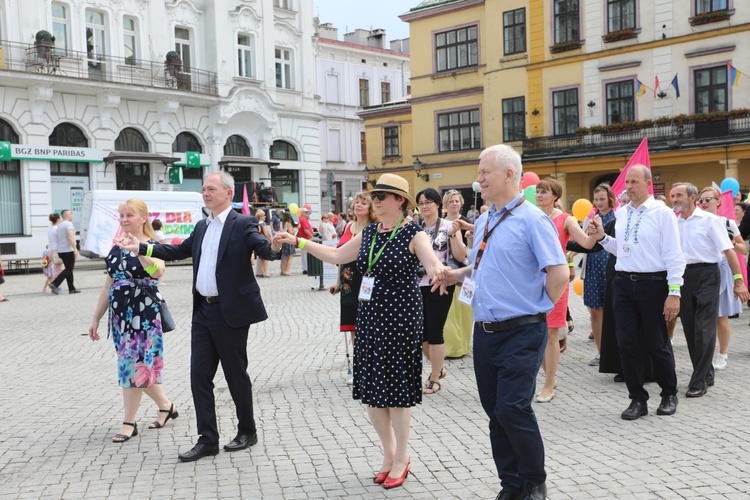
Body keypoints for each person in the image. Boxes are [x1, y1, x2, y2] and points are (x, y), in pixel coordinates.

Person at [274, 173, 448, 490]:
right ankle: (389, 453)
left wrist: (440, 272)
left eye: (382, 196)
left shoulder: (413, 232)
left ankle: (402, 456)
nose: (375, 200)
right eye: (374, 195)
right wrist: (297, 241)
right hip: (369, 320)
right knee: (372, 391)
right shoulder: (368, 233)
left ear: (400, 201)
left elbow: (432, 262)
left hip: (400, 322)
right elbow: (337, 255)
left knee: (397, 393)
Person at [117, 171, 283, 462]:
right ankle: (208, 439)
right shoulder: (202, 225)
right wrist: (142, 247)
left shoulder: (242, 223)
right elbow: (178, 250)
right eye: (204, 189)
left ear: (228, 193)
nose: (205, 193)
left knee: (235, 375)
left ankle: (247, 430)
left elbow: (265, 249)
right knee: (199, 377)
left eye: (211, 189)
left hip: (230, 312)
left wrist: (277, 247)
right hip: (203, 311)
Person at [435, 145, 568, 500]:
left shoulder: (533, 220)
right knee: (496, 412)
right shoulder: (486, 220)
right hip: (486, 332)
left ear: (510, 174)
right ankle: (511, 485)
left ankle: (534, 482)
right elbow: (480, 268)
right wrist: (455, 275)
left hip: (522, 330)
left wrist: (538, 307)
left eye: (484, 173)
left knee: (513, 408)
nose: (477, 181)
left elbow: (558, 272)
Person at [593, 165, 684, 421]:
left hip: (653, 284)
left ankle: (668, 393)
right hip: (622, 283)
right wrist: (602, 238)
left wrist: (674, 291)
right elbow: (621, 250)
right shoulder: (622, 214)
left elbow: (674, 255)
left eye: (634, 182)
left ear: (647, 184)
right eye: (627, 183)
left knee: (657, 343)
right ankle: (637, 398)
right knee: (627, 343)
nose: (629, 187)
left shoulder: (662, 213)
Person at [88, 199, 178, 443]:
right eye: (121, 215)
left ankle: (129, 422)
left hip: (144, 316)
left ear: (143, 218)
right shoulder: (115, 247)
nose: (124, 219)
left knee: (132, 367)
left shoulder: (153, 245)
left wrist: (138, 250)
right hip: (121, 319)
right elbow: (108, 284)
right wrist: (96, 317)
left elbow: (158, 272)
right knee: (138, 367)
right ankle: (166, 406)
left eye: (129, 215)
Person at [669, 183, 748, 397]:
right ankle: (706, 372)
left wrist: (738, 279)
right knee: (691, 329)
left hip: (707, 275)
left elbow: (729, 251)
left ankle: (698, 381)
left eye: (678, 195)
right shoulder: (672, 222)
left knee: (704, 328)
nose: (674, 199)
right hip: (682, 277)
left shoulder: (710, 221)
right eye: (672, 195)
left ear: (692, 197)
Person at [534, 178, 598, 403]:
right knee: (536, 333)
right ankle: (548, 375)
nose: (539, 194)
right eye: (538, 191)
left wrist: (594, 232)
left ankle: (549, 383)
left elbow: (586, 244)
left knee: (551, 332)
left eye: (545, 191)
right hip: (532, 281)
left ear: (555, 196)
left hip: (555, 281)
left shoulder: (565, 219)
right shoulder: (530, 216)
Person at [416, 188, 466, 394]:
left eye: (428, 202)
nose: (424, 206)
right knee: (422, 335)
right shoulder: (414, 228)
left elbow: (461, 255)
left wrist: (454, 234)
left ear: (437, 204)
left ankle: (434, 377)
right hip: (416, 285)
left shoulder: (448, 226)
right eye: (421, 203)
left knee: (435, 331)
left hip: (441, 284)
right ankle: (440, 367)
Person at [329, 193, 380, 384]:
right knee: (353, 327)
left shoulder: (374, 228)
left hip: (366, 280)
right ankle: (359, 370)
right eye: (357, 202)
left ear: (371, 208)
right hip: (349, 281)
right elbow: (340, 256)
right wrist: (337, 282)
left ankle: (372, 369)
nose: (358, 205)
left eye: (363, 203)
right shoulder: (349, 227)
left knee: (368, 326)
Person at [698, 187, 747, 371]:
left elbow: (743, 248)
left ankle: (723, 353)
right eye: (701, 200)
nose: (704, 203)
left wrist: (731, 242)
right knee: (703, 319)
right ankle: (704, 356)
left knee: (721, 318)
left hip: (722, 270)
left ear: (718, 201)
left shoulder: (727, 223)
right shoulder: (696, 222)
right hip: (702, 272)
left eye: (708, 199)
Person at [582, 184, 617, 366]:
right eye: (596, 199)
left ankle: (615, 352)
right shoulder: (591, 219)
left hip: (611, 267)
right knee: (595, 310)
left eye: (602, 199)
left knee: (614, 311)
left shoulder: (618, 217)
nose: (599, 203)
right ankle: (601, 352)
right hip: (593, 266)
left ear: (610, 198)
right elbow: (582, 242)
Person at [441, 189, 474, 359]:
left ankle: (464, 345)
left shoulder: (466, 222)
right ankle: (452, 347)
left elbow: (472, 246)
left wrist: (469, 237)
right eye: (451, 201)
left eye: (457, 201)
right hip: (449, 270)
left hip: (466, 269)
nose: (455, 203)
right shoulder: (441, 224)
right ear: (446, 204)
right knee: (451, 313)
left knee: (466, 311)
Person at [48, 209, 80, 294]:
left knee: (68, 269)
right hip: (68, 250)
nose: (72, 216)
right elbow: (70, 237)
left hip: (61, 250)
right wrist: (75, 249)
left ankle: (71, 288)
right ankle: (54, 284)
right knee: (69, 269)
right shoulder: (68, 224)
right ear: (67, 215)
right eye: (71, 214)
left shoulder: (60, 225)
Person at [47, 213, 64, 292]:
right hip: (56, 250)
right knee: (60, 269)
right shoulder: (57, 229)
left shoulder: (50, 228)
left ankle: (54, 285)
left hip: (50, 250)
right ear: (58, 219)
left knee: (55, 268)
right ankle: (55, 285)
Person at [254, 210, 273, 278]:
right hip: (264, 241)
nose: (265, 217)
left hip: (258, 241)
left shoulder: (256, 223)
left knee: (261, 258)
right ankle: (265, 272)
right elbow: (266, 233)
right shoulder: (263, 224)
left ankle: (261, 272)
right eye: (264, 215)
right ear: (261, 216)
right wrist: (270, 239)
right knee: (265, 258)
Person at [298, 206, 314, 274]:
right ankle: (306, 268)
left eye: (307, 212)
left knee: (304, 253)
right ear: (302, 213)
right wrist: (311, 236)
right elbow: (306, 229)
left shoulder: (302, 219)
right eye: (306, 212)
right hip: (306, 238)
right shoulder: (303, 219)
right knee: (305, 254)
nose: (307, 213)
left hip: (303, 238)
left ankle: (305, 268)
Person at [280, 211, 297, 276]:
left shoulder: (281, 223)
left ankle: (282, 270)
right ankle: (287, 270)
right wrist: (296, 229)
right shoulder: (288, 223)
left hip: (283, 240)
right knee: (290, 256)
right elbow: (290, 232)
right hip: (288, 240)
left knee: (284, 256)